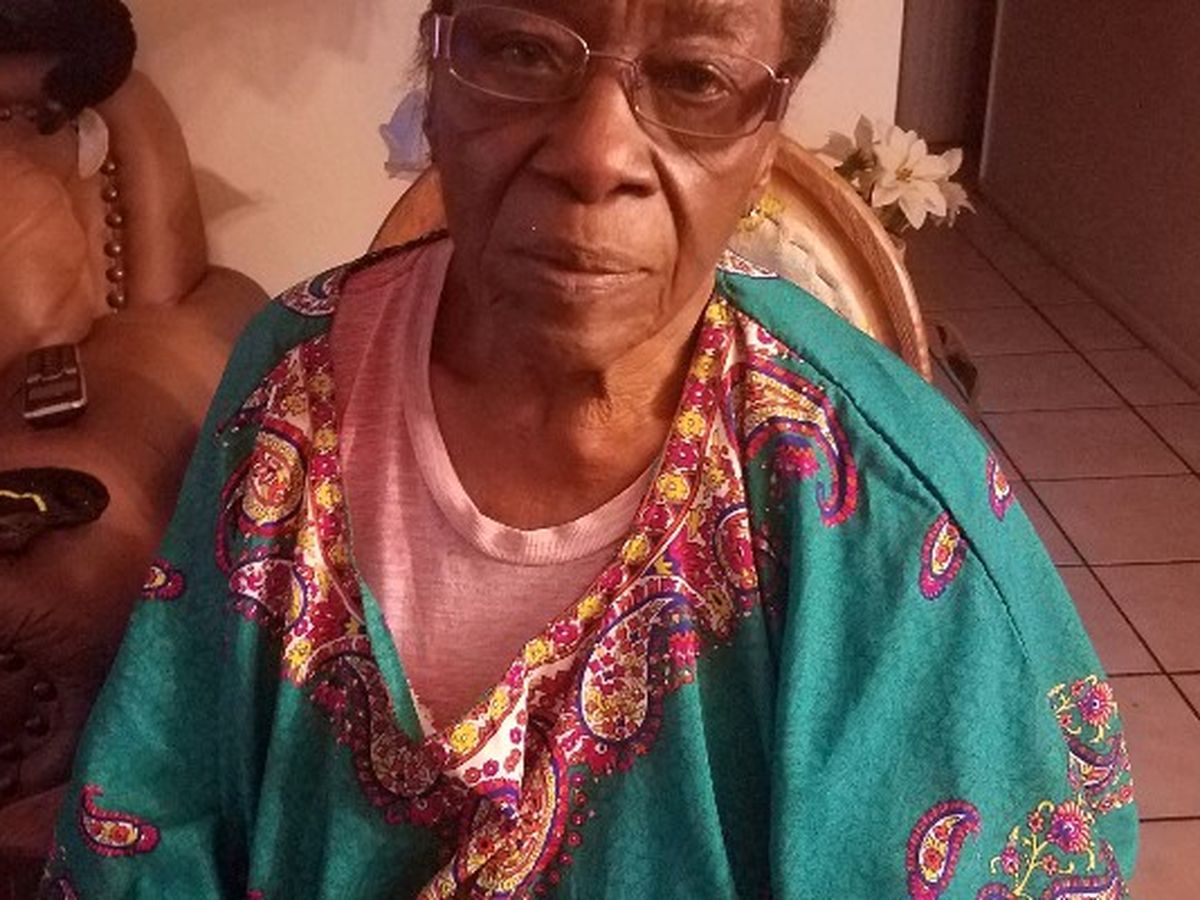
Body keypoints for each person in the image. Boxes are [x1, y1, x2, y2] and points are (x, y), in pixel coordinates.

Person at [43, 1, 1137, 896]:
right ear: (437, 75)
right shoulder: (289, 382)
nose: (595, 153)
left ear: (768, 132)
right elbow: (152, 813)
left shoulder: (885, 505)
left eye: (697, 79)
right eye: (522, 51)